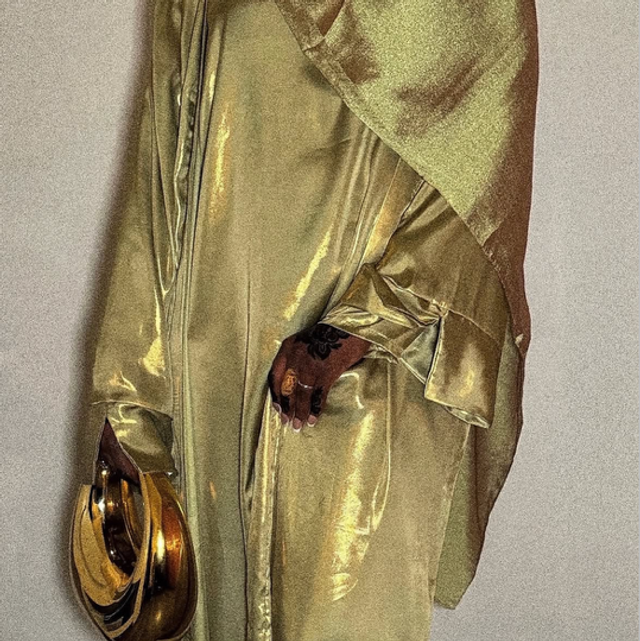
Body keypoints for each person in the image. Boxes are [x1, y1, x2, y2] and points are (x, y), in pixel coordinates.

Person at [81, 0, 538, 639]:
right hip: (217, 372)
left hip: (373, 367)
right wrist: (130, 404)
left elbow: (485, 177)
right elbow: (160, 171)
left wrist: (353, 329)